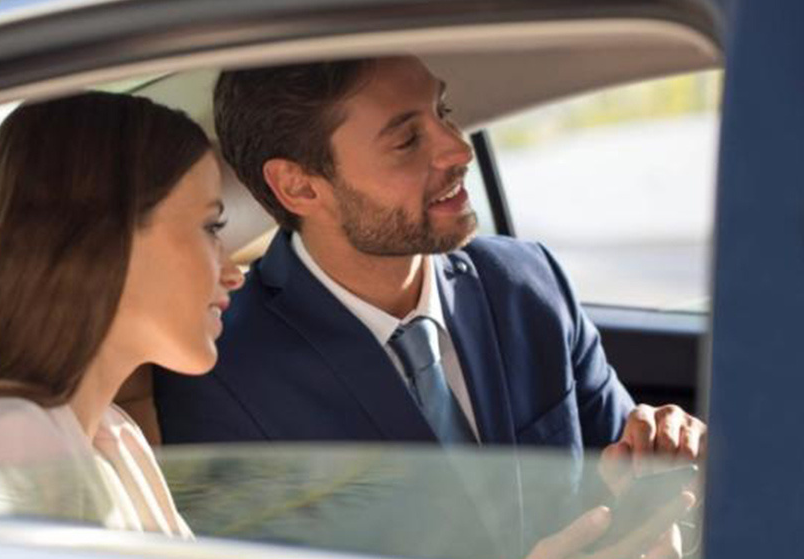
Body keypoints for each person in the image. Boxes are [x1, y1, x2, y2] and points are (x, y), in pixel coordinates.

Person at [153, 57, 704, 556]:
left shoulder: (527, 282)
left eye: (444, 112)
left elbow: (621, 480)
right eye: (407, 141)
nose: (458, 149)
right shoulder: (221, 370)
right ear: (299, 187)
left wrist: (661, 455)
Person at [0, 92, 243, 537]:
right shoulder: (6, 446)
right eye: (211, 228)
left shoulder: (114, 434)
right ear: (105, 241)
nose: (233, 274)